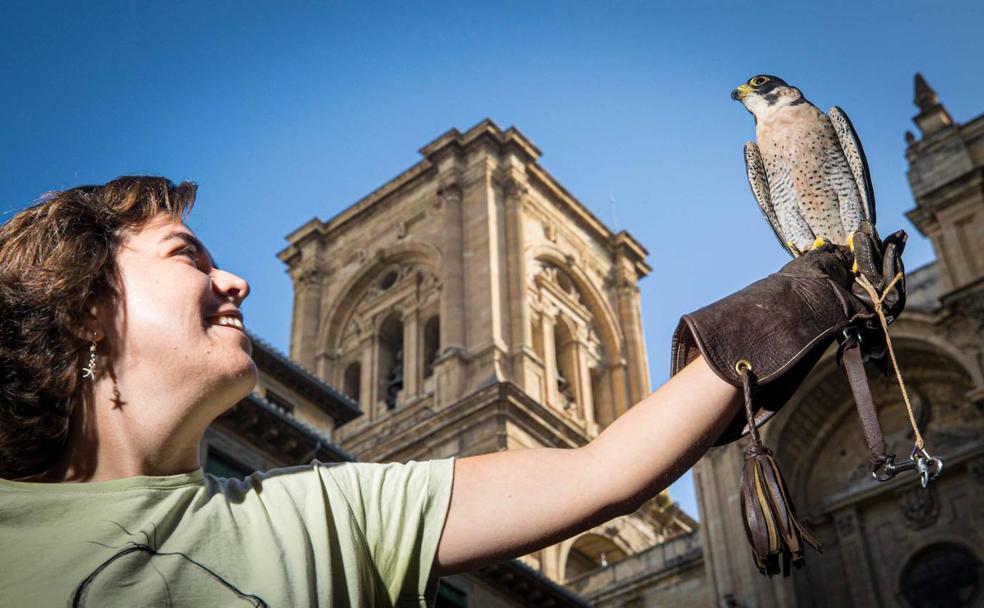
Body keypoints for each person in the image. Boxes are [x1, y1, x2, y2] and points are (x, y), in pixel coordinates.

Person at [0, 177, 898, 606]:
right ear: (85, 308)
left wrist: (804, 298)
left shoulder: (320, 514)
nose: (235, 281)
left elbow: (600, 472)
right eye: (189, 258)